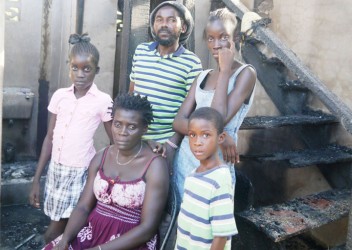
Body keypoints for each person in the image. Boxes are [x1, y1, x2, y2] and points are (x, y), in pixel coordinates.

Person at [43, 93, 169, 250]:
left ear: (144, 128)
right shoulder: (101, 156)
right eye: (117, 124)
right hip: (92, 231)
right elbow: (83, 207)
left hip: (131, 240)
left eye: (132, 127)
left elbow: (147, 229)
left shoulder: (154, 165)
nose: (122, 132)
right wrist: (65, 239)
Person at [29, 33, 114, 243]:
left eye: (87, 69)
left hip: (80, 173)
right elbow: (50, 137)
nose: (80, 74)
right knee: (59, 222)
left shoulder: (102, 101)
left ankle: (50, 243)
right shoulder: (60, 96)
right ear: (69, 68)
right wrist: (36, 179)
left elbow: (115, 141)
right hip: (56, 169)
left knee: (58, 228)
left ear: (97, 71)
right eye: (75, 68)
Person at [173, 8, 257, 199]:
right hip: (186, 160)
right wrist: (215, 134)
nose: (216, 44)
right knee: (183, 220)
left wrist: (225, 70)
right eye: (211, 38)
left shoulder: (245, 74)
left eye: (223, 37)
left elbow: (216, 119)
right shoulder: (203, 76)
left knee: (211, 222)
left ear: (235, 39)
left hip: (216, 165)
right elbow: (177, 121)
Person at [129, 1, 202, 168]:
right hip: (137, 141)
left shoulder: (191, 63)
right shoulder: (141, 51)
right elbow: (132, 93)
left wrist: (171, 145)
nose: (164, 25)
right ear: (153, 26)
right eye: (159, 20)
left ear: (183, 27)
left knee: (161, 192)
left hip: (165, 146)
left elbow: (192, 110)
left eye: (171, 20)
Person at [175, 107, 237, 250]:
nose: (197, 142)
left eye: (206, 135)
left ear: (220, 138)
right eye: (192, 135)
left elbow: (221, 235)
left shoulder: (220, 179)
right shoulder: (192, 175)